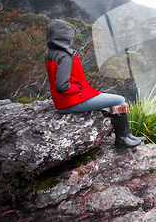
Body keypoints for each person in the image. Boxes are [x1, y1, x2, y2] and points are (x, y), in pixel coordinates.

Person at [44, 19, 145, 148]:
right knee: (119, 100)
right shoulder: (65, 56)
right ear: (64, 37)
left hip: (64, 101)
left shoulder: (50, 53)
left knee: (113, 99)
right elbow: (61, 87)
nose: (71, 39)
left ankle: (127, 135)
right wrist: (79, 87)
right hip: (71, 100)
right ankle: (122, 139)